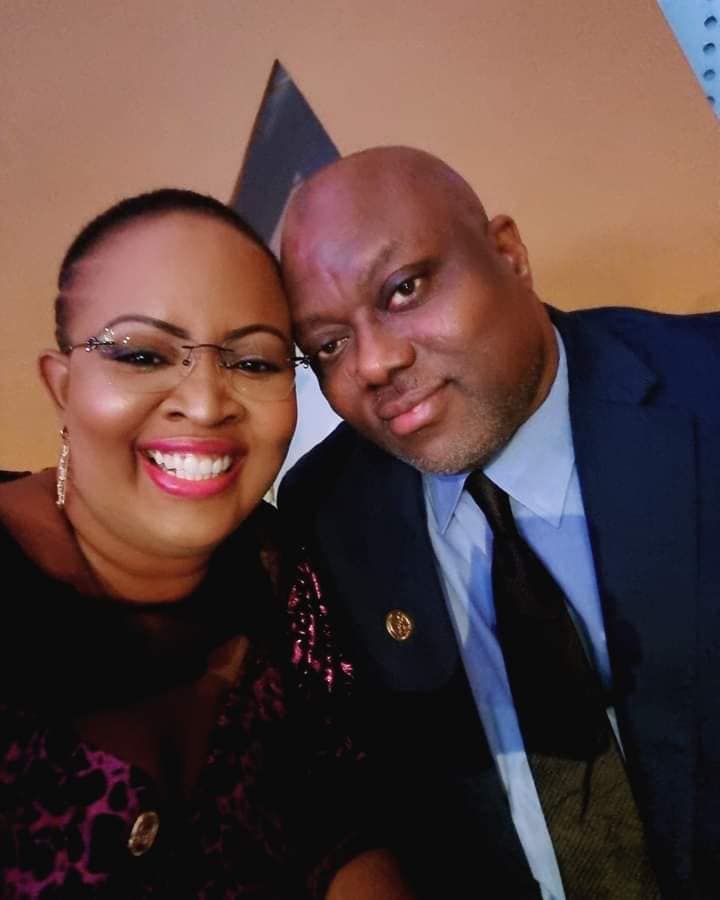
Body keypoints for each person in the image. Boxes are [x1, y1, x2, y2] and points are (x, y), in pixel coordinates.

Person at [278, 146, 720, 899]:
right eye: (329, 344)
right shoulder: (329, 510)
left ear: (508, 254)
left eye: (403, 288)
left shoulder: (704, 387)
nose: (374, 363)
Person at [0, 189, 416, 899]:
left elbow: (337, 819)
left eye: (253, 363)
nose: (205, 403)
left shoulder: (286, 573)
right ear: (62, 386)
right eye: (141, 354)